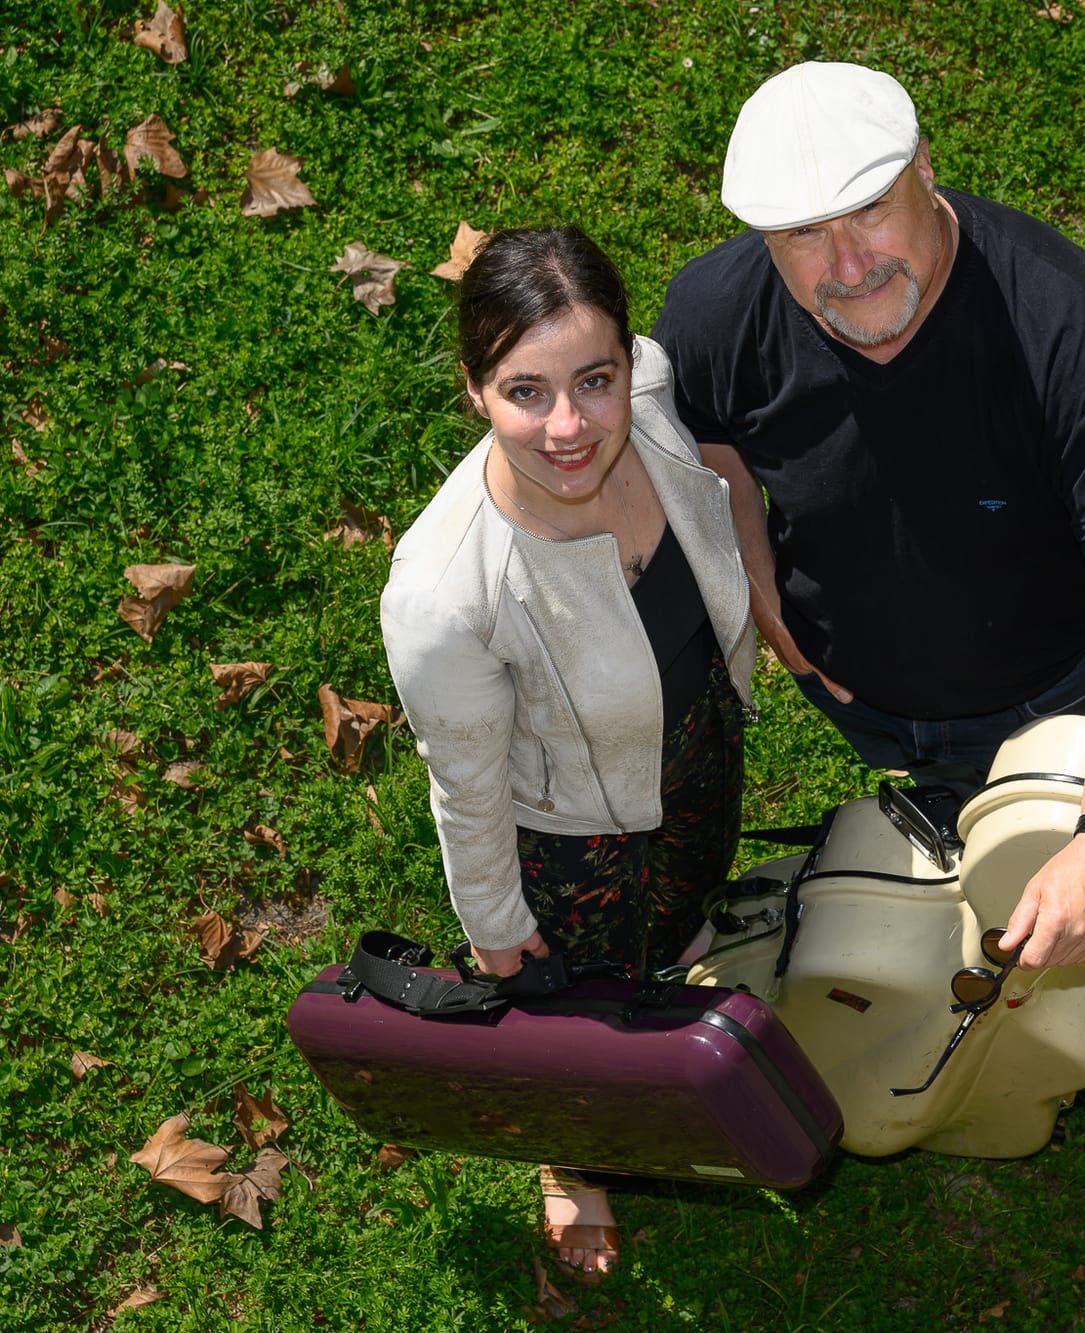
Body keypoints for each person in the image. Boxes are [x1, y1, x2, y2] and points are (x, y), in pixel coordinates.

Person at [654, 62, 1085, 971]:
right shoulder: (714, 313)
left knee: (1065, 902)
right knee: (961, 833)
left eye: (871, 208)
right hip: (854, 689)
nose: (849, 266)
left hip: (1048, 693)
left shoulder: (1060, 322)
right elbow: (707, 433)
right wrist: (756, 578)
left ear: (924, 165)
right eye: (802, 234)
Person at [380, 226, 755, 1282]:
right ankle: (573, 1157)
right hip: (575, 837)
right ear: (473, 391)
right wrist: (498, 929)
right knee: (579, 1010)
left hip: (696, 745)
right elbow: (466, 791)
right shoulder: (443, 596)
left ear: (629, 362)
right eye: (525, 392)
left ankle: (675, 958)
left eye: (594, 379)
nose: (569, 426)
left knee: (684, 904)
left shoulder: (653, 401)